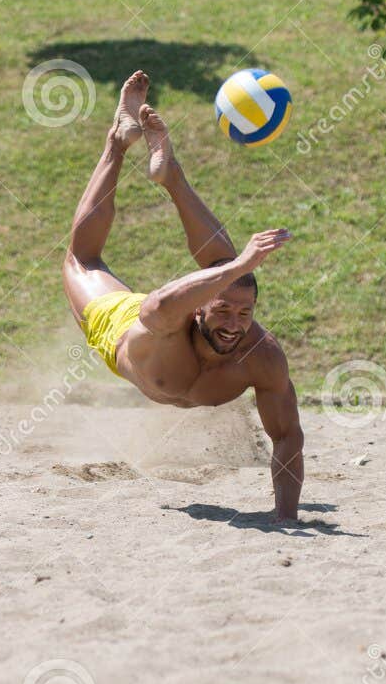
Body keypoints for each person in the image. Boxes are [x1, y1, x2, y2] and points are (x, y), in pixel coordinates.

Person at [61, 71, 303, 520]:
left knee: (228, 271)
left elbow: (287, 436)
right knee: (81, 260)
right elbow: (160, 305)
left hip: (198, 295)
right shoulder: (167, 319)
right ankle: (118, 141)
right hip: (122, 328)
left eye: (244, 313)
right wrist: (237, 266)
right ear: (196, 313)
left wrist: (286, 516)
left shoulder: (261, 355)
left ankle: (172, 175)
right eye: (223, 311)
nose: (233, 323)